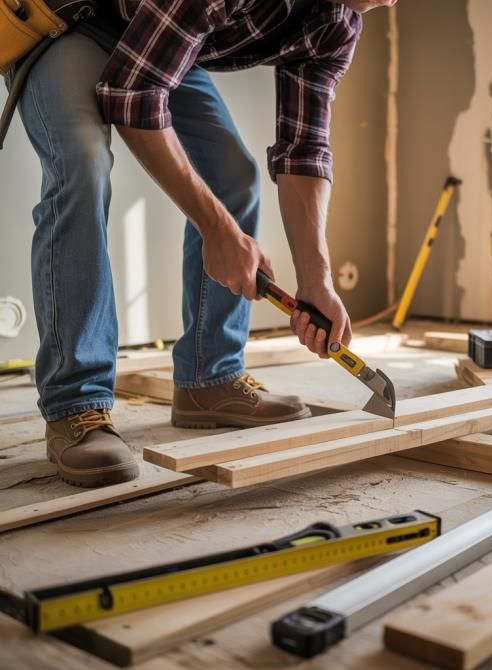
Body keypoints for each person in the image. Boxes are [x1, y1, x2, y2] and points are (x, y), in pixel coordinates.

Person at [8, 0, 397, 488]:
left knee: (235, 176)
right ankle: (76, 406)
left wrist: (317, 279)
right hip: (70, 21)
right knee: (81, 168)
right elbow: (134, 93)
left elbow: (304, 149)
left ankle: (208, 378)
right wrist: (217, 232)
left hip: (151, 38)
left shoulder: (336, 24)